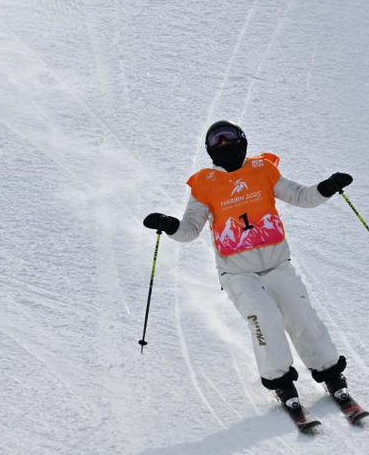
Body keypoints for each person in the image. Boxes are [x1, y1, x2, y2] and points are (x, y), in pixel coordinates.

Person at [143, 120, 354, 411]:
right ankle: (280, 382)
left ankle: (330, 372)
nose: (225, 144)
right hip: (239, 273)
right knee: (265, 318)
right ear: (209, 150)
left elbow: (301, 196)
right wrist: (169, 225)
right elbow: (190, 231)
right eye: (217, 141)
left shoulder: (262, 170)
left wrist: (327, 188)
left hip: (277, 264)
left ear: (242, 140)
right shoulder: (204, 184)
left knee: (301, 316)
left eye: (229, 137)